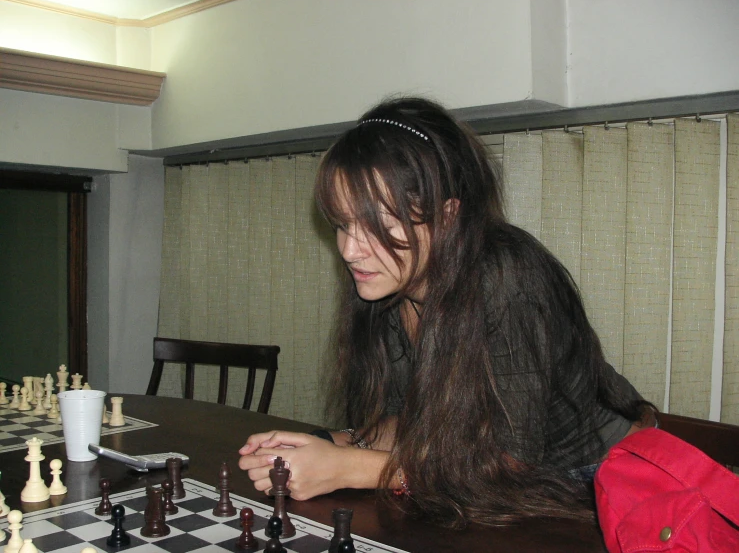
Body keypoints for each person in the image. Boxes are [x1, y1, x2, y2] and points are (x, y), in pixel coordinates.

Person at [238, 96, 650, 528]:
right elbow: (408, 421)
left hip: (597, 480)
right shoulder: (390, 285)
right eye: (342, 223)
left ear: (448, 216)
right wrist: (329, 444)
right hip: (493, 485)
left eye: (379, 223)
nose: (349, 249)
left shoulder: (507, 275)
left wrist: (351, 467)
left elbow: (512, 461)